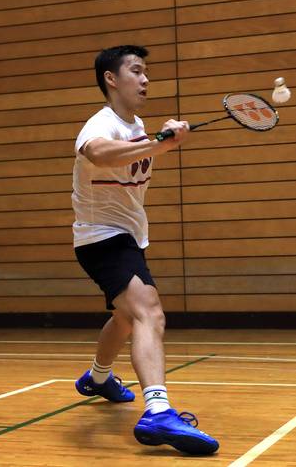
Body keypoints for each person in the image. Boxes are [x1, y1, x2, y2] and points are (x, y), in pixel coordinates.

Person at [71, 45, 219, 455]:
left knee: (125, 317)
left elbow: (143, 148)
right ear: (111, 79)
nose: (146, 79)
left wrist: (158, 138)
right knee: (149, 310)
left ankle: (97, 379)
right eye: (136, 71)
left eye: (146, 72)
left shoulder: (136, 124)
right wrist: (160, 144)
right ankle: (157, 409)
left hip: (128, 235)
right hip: (101, 237)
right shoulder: (100, 124)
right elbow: (98, 153)